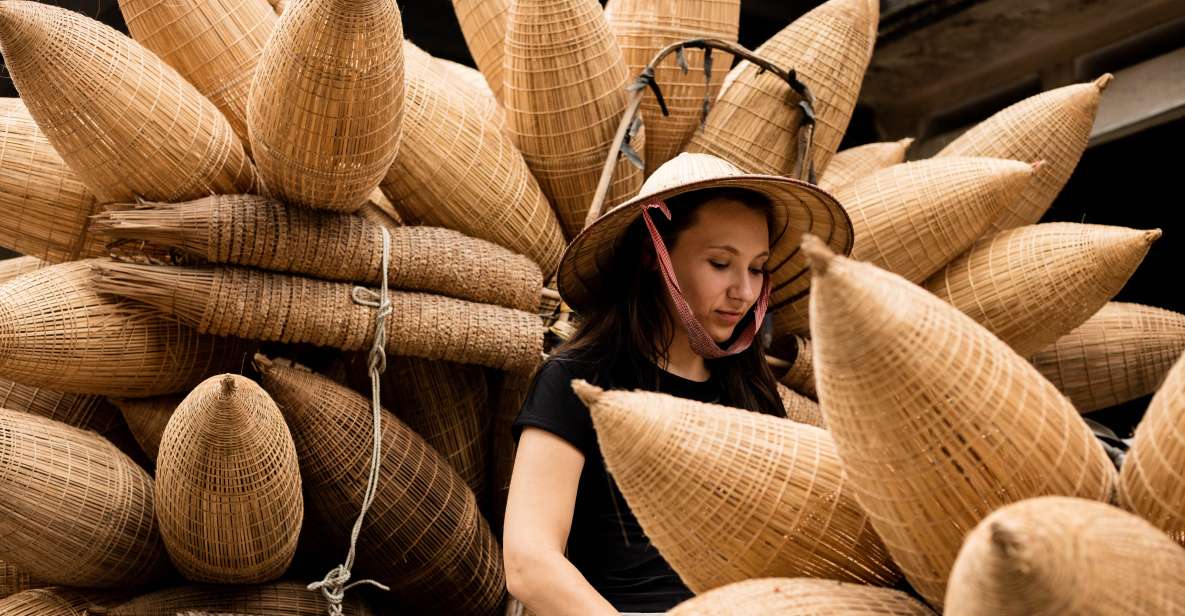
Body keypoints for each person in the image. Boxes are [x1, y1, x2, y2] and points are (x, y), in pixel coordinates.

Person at [502, 152, 852, 615]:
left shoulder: (751, 394)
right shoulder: (580, 378)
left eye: (756, 268)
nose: (744, 292)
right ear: (654, 255)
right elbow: (529, 562)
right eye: (721, 263)